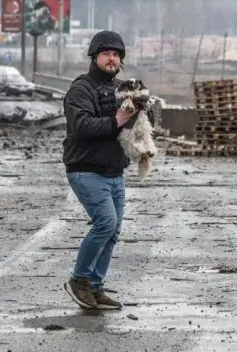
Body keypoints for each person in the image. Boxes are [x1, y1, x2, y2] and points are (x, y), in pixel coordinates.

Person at [62, 30, 136, 310]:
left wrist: (141, 110)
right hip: (85, 168)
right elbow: (81, 126)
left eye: (116, 54)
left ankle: (94, 287)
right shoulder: (81, 89)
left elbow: (132, 125)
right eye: (106, 53)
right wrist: (117, 119)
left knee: (113, 230)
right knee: (105, 223)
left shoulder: (122, 89)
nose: (112, 58)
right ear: (94, 57)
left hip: (114, 171)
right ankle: (79, 280)